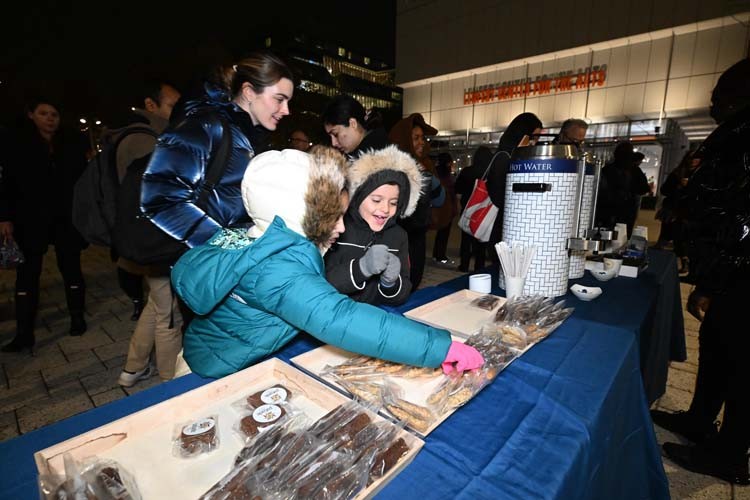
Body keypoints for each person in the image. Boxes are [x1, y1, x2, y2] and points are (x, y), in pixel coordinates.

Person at [170, 146, 484, 378]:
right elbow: (340, 318)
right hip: (210, 372)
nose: (342, 226)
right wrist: (440, 348)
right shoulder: (277, 268)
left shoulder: (263, 239)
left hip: (213, 356)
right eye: (333, 217)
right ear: (302, 216)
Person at [140, 51, 294, 329]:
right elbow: (160, 199)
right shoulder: (203, 124)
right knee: (209, 353)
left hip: (233, 269)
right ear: (249, 91)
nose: (286, 111)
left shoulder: (251, 135)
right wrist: (226, 246)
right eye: (280, 99)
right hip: (206, 268)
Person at [651, 58, 750, 486]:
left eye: (720, 99)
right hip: (728, 271)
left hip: (742, 275)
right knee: (717, 348)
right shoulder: (733, 134)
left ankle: (731, 455)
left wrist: (712, 280)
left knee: (742, 362)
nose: (713, 106)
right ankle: (699, 420)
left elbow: (740, 220)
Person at [0, 97, 89, 352]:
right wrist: (4, 217)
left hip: (65, 218)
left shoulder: (70, 144)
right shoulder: (16, 144)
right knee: (27, 274)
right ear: (31, 115)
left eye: (54, 114)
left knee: (71, 267)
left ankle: (77, 318)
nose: (50, 118)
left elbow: (81, 181)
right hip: (30, 219)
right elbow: (6, 184)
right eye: (44, 113)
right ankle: (24, 332)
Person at [115, 80, 184, 387]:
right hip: (156, 244)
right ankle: (171, 385)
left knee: (156, 306)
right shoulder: (149, 142)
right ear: (151, 105)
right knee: (168, 316)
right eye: (172, 105)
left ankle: (133, 367)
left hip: (144, 242)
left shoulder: (143, 137)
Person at [325, 145, 420, 306]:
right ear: (357, 197)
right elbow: (319, 285)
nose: (385, 209)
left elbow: (402, 295)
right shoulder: (338, 229)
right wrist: (360, 268)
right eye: (376, 200)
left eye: (393, 203)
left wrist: (391, 284)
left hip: (374, 317)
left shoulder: (398, 236)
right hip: (333, 315)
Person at [388, 113, 445, 290]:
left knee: (414, 282)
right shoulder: (391, 169)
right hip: (396, 242)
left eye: (422, 138)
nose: (422, 142)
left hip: (418, 239)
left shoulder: (425, 165)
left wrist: (427, 178)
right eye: (416, 138)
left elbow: (440, 200)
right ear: (405, 140)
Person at [486, 112, 543, 246]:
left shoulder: (519, 158)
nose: (534, 143)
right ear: (521, 134)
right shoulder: (505, 157)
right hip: (501, 226)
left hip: (510, 225)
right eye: (533, 137)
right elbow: (500, 197)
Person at [654, 152, 699, 274]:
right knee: (666, 235)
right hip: (672, 210)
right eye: (690, 158)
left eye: (696, 159)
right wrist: (678, 186)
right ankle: (657, 262)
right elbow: (664, 190)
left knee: (682, 239)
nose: (693, 161)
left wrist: (689, 187)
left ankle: (685, 264)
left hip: (688, 212)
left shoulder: (701, 174)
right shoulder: (677, 173)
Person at [596, 142, 650, 238]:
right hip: (626, 209)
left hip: (606, 209)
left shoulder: (607, 169)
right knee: (623, 236)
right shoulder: (635, 170)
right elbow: (644, 188)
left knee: (605, 235)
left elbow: (599, 190)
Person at [455, 146, 493, 272]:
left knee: (466, 240)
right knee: (480, 241)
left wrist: (459, 205)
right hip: (483, 211)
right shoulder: (490, 172)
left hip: (467, 209)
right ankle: (479, 267)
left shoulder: (467, 171)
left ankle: (464, 265)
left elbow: (458, 191)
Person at [323, 95, 389, 159]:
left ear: (353, 124)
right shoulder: (380, 150)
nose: (333, 143)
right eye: (330, 137)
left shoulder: (376, 160)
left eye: (336, 134)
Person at [431, 152, 458, 267]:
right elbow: (452, 191)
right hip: (447, 207)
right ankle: (440, 256)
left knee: (439, 232)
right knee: (444, 233)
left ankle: (436, 255)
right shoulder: (447, 175)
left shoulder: (434, 171)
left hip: (436, 206)